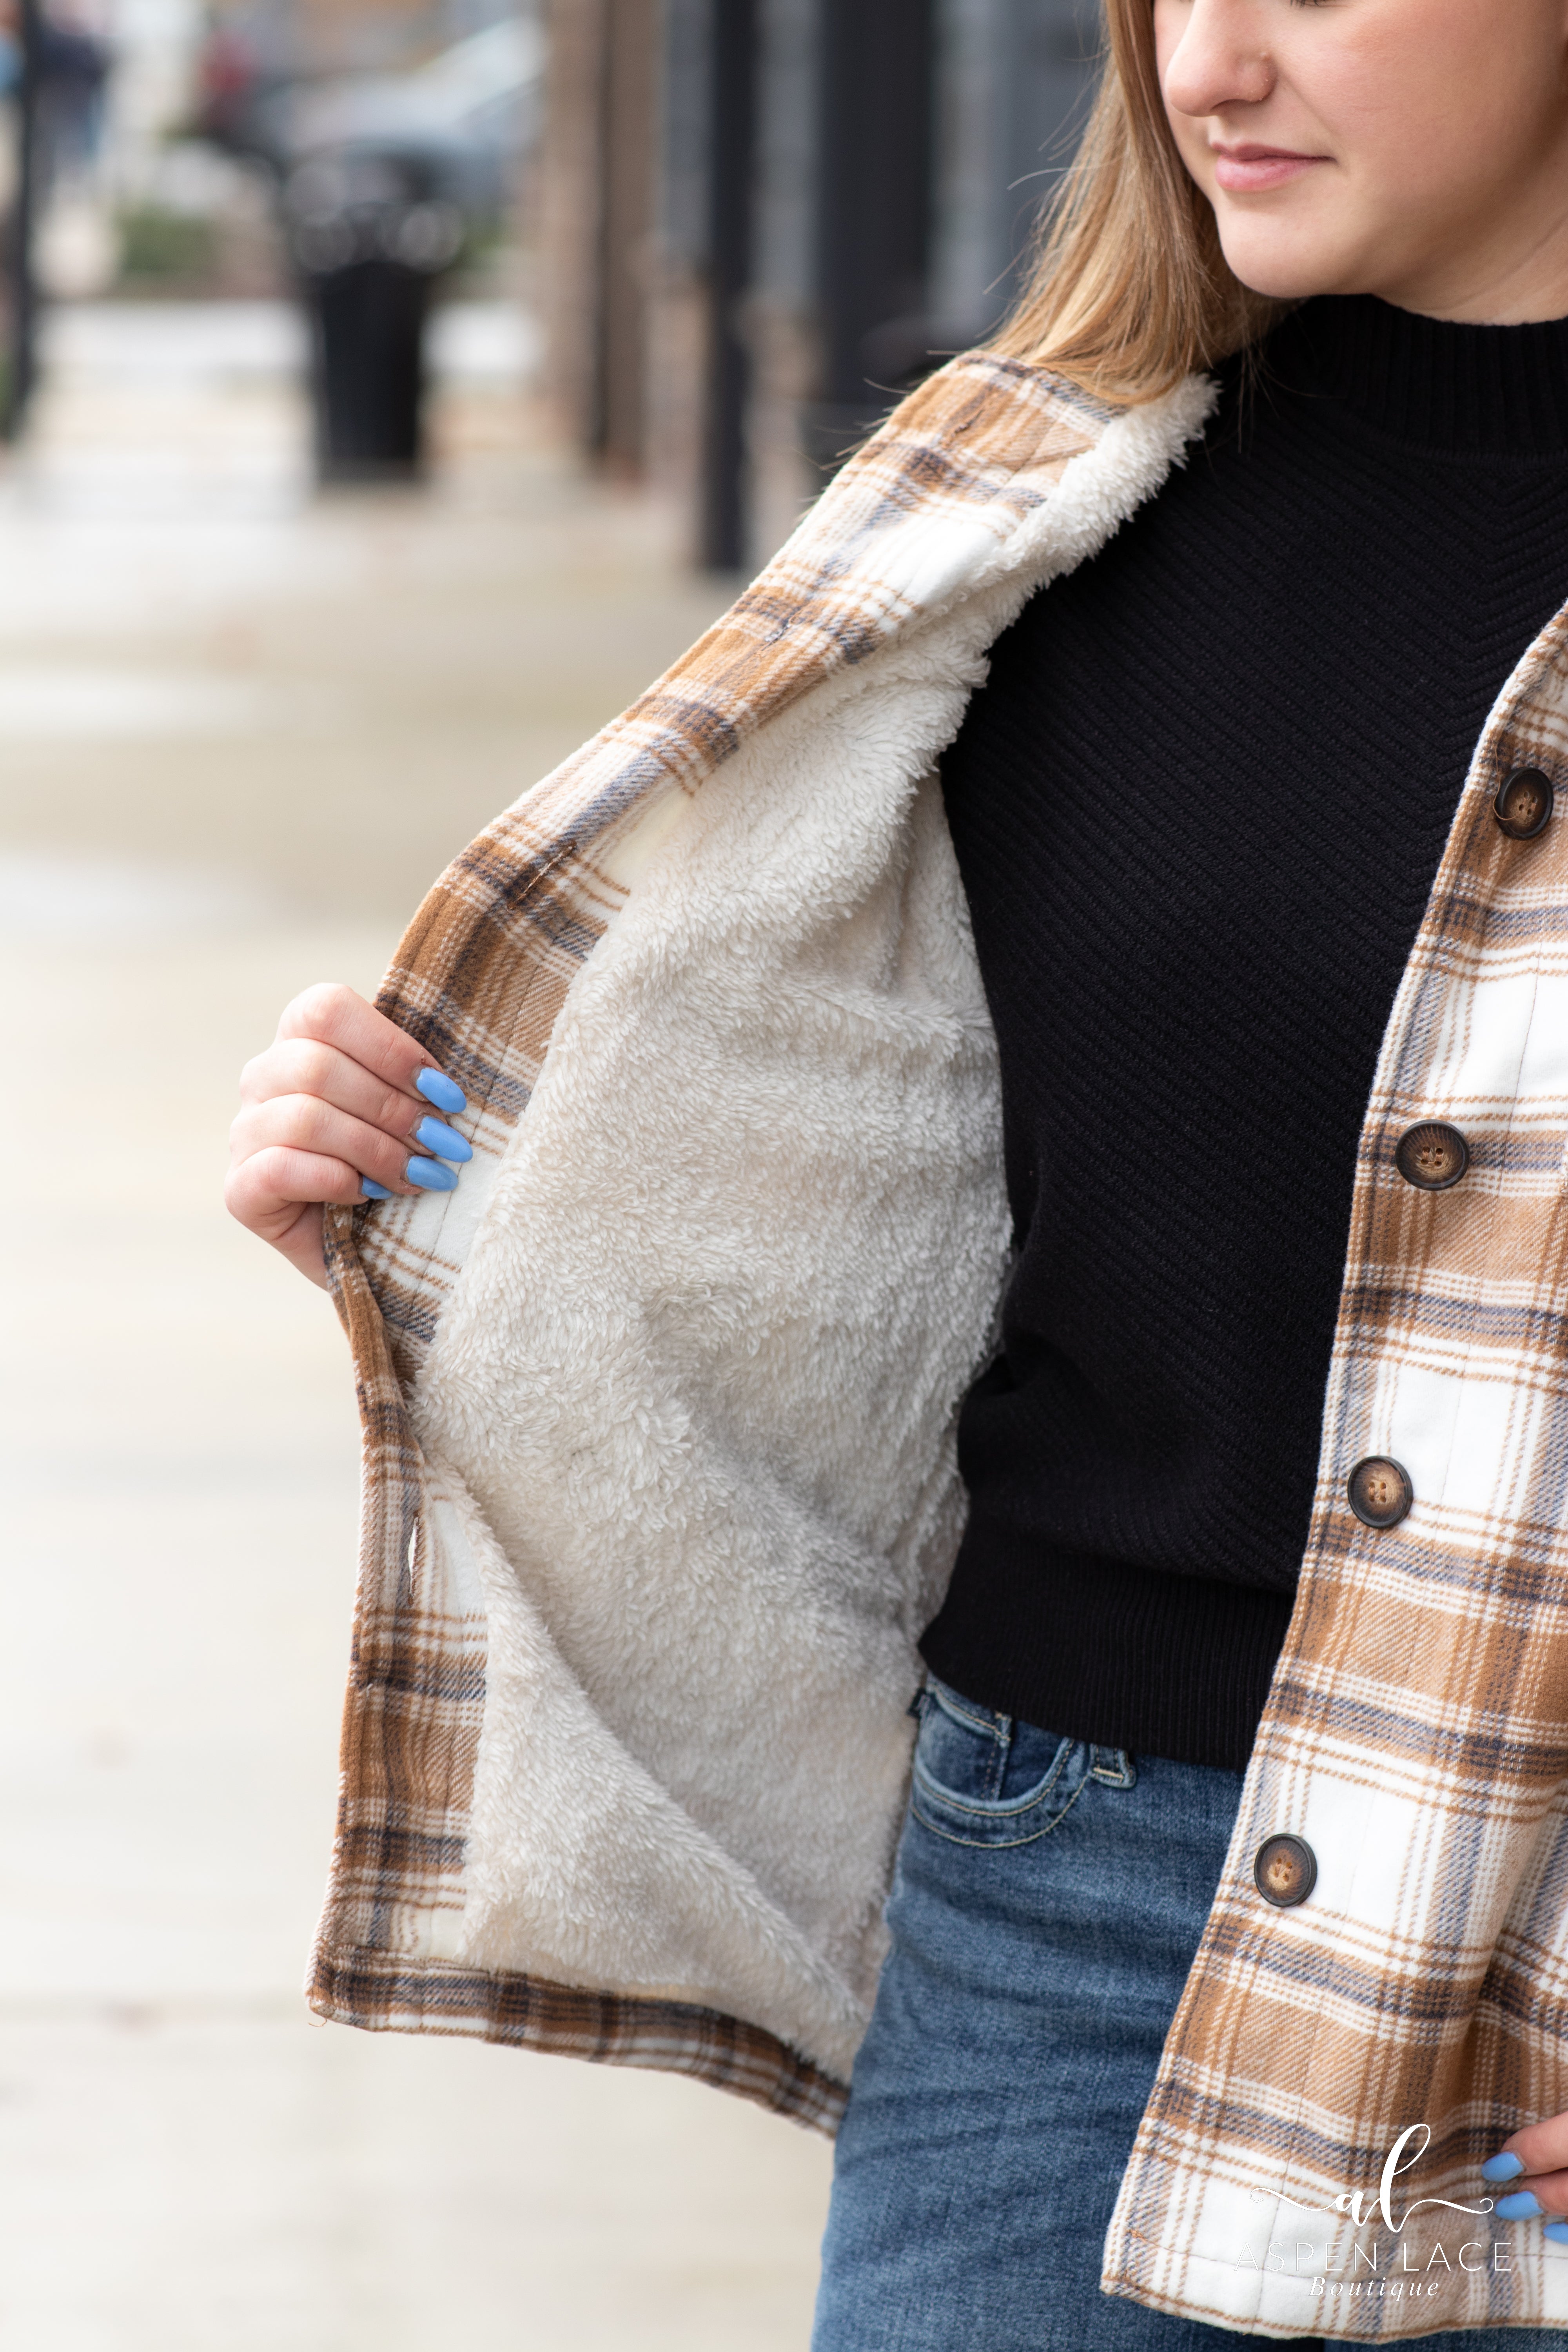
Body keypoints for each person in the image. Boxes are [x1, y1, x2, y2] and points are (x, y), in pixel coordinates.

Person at [226, 0, 1568, 2341]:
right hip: (1051, 1895)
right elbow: (860, 1164)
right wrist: (438, 1176)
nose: (1210, 62)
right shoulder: (1024, 499)